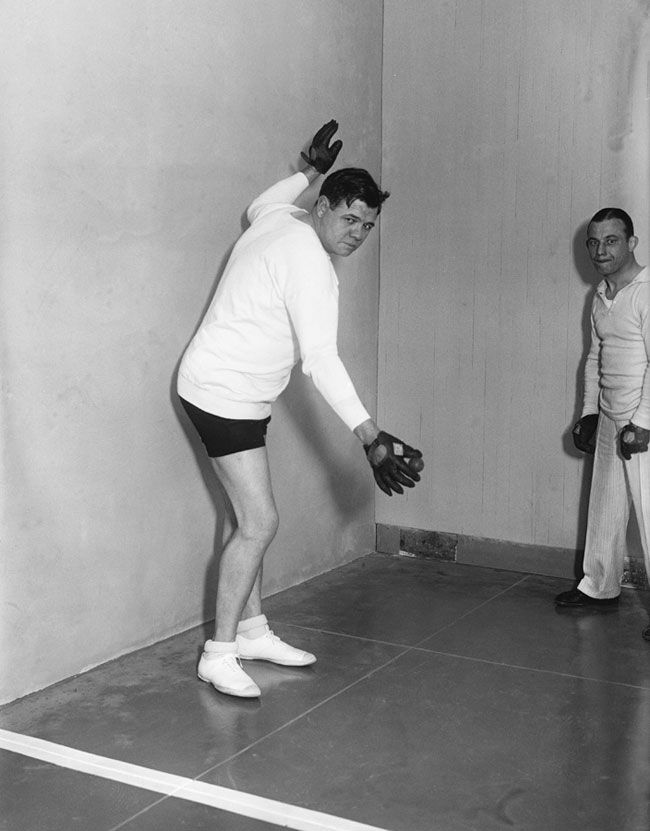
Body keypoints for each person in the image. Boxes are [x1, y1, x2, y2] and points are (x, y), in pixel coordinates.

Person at [177, 121, 424, 698]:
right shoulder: (309, 263)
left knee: (245, 520)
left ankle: (254, 630)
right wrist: (370, 435)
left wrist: (309, 169)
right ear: (324, 209)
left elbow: (260, 202)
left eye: (368, 224)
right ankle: (219, 652)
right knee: (259, 523)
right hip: (224, 393)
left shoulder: (281, 216)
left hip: (230, 387)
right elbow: (320, 360)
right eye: (348, 219)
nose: (358, 233)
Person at [555, 208, 650, 642]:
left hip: (643, 421)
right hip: (612, 415)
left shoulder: (647, 291)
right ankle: (599, 586)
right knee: (606, 509)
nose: (600, 250)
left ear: (631, 242)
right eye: (593, 242)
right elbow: (595, 356)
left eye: (611, 240)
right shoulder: (600, 294)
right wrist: (589, 413)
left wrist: (644, 422)